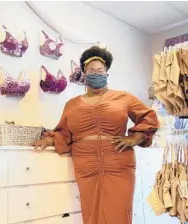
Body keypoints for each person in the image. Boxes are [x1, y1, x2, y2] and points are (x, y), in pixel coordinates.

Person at [34, 46, 160, 224]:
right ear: (84, 73)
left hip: (119, 163)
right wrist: (49, 139)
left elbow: (149, 116)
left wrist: (137, 137)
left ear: (107, 72)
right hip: (86, 165)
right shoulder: (72, 104)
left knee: (118, 214)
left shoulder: (123, 98)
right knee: (91, 215)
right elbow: (63, 132)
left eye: (100, 70)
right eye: (91, 71)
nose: (96, 73)